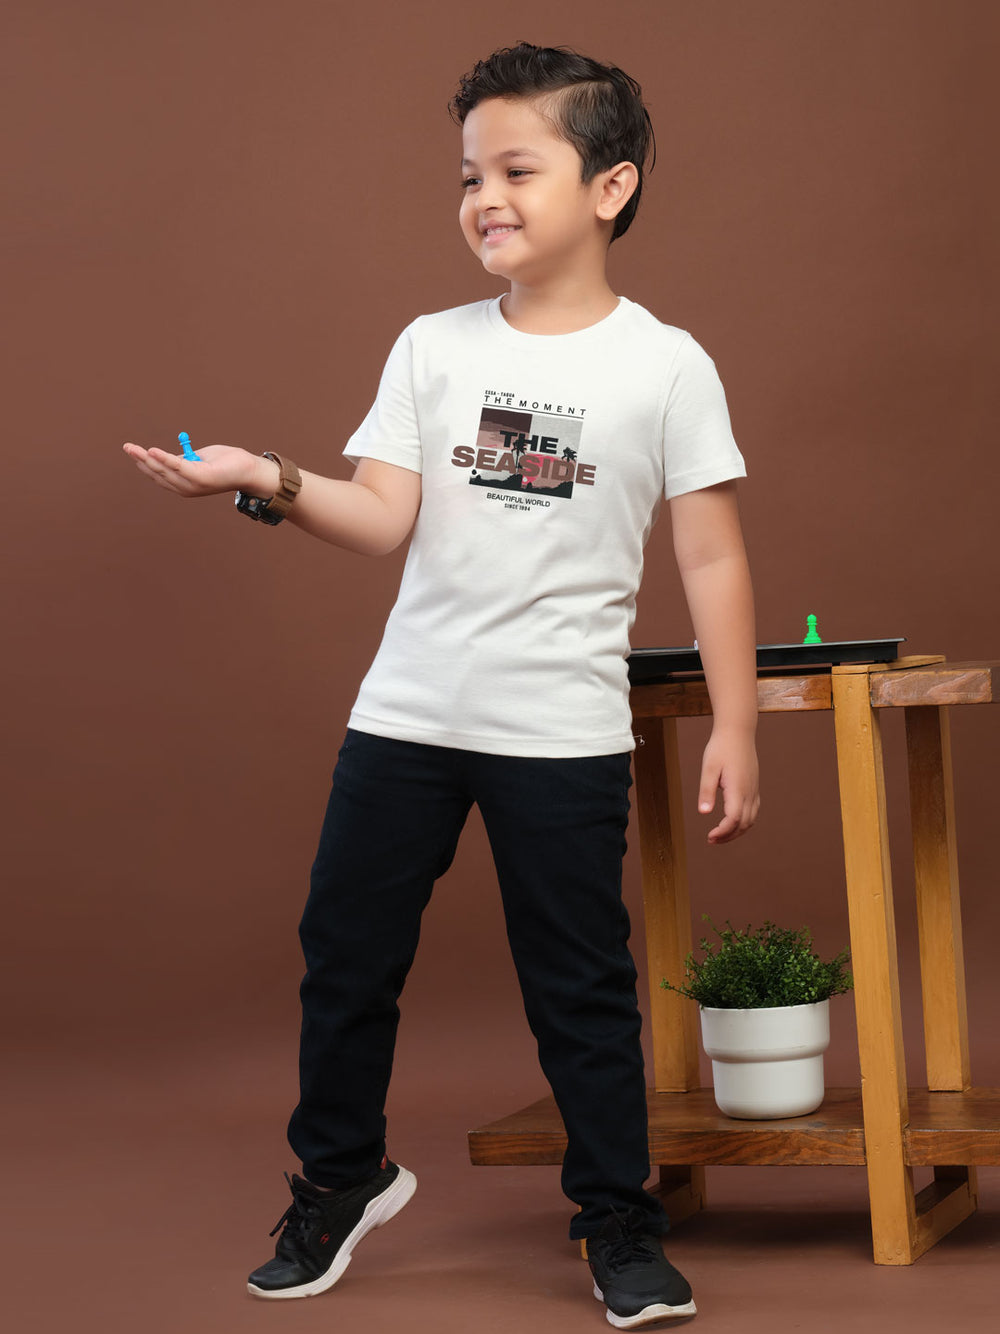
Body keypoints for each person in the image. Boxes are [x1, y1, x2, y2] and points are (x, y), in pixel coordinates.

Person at [124, 41, 759, 1330]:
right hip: (407, 715)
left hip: (560, 733)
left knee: (578, 989)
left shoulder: (666, 365)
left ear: (612, 187)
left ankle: (619, 1221)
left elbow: (711, 554)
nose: (486, 198)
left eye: (519, 169)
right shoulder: (432, 346)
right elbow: (380, 520)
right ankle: (340, 1181)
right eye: (471, 175)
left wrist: (736, 724)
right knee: (344, 957)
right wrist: (263, 477)